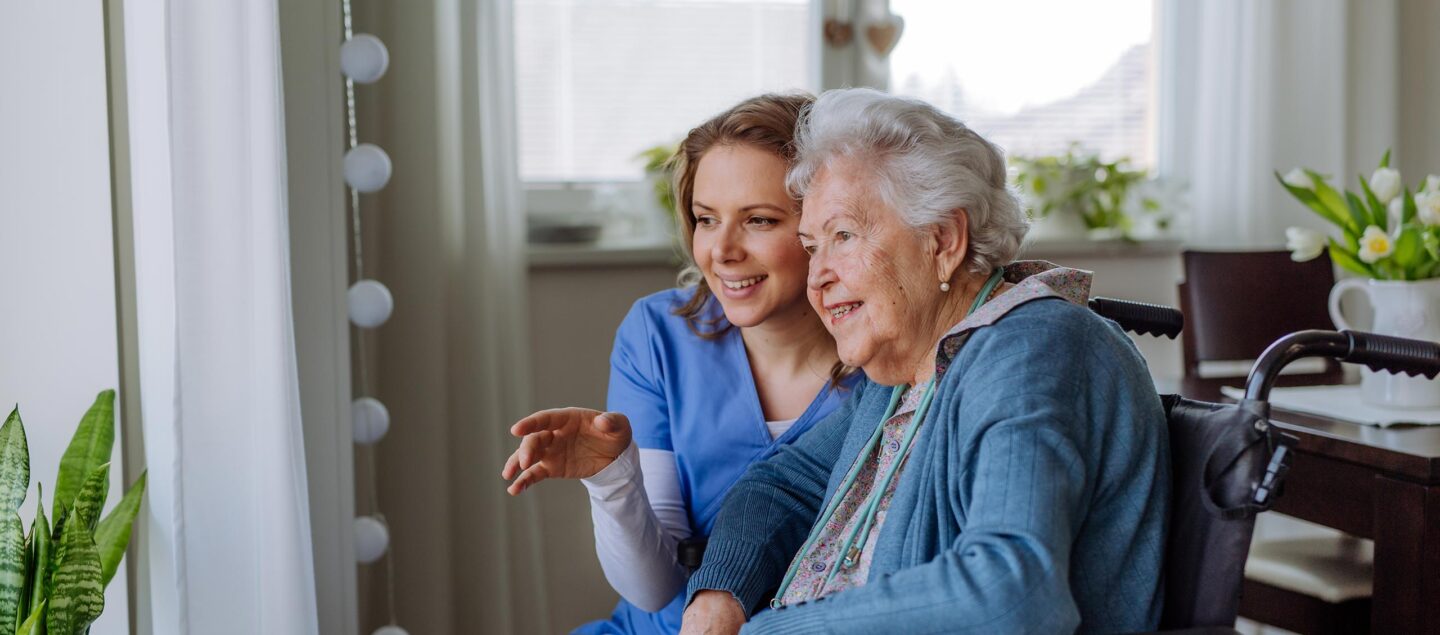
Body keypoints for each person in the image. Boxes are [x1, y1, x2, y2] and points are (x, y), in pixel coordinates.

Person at [680, 88, 1171, 634]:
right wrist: (720, 598)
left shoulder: (1032, 348)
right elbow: (781, 485)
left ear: (942, 240)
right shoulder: (908, 368)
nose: (818, 276)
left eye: (843, 236)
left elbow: (1012, 593)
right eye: (812, 246)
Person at [501, 93, 860, 634]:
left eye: (759, 220)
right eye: (706, 219)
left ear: (827, 227)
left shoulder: (885, 358)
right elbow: (653, 590)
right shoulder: (659, 335)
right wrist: (611, 478)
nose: (722, 250)